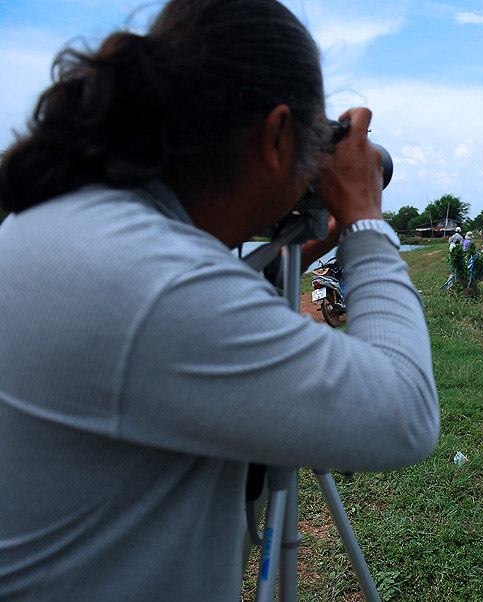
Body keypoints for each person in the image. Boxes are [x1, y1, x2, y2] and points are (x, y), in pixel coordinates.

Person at [0, 1, 439, 600]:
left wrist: (304, 250)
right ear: (278, 134)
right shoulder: (159, 284)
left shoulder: (73, 225)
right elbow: (404, 413)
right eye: (316, 141)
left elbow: (174, 333)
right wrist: (364, 221)